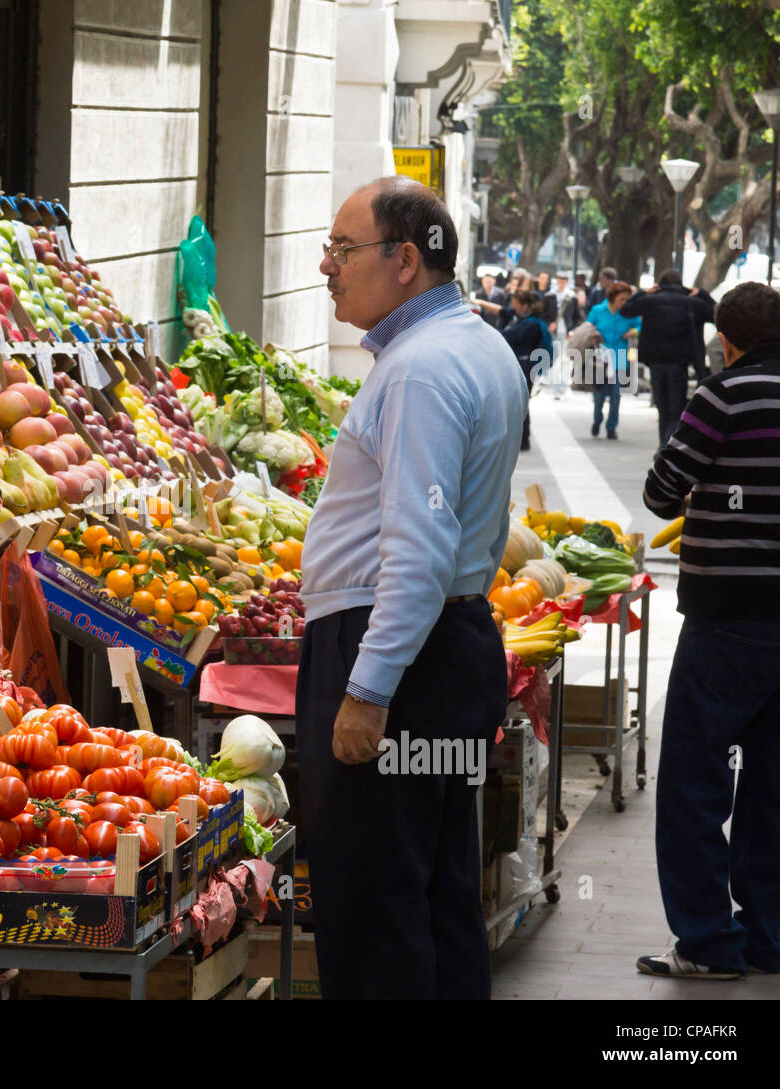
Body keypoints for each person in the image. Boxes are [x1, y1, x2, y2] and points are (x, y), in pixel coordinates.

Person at [304, 176, 527, 999]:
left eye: (342, 247)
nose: (326, 265)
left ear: (405, 261)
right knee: (436, 892)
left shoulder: (422, 371)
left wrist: (366, 688)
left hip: (400, 655)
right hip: (444, 646)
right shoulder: (472, 346)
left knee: (375, 906)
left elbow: (420, 548)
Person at [638, 281, 780, 980]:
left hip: (727, 619)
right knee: (775, 784)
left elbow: (662, 490)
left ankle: (706, 942)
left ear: (726, 340)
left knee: (696, 778)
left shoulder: (721, 397)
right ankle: (764, 939)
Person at [620, 269, 715, 447]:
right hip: (679, 363)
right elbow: (717, 314)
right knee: (676, 408)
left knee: (662, 408)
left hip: (655, 361)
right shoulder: (691, 303)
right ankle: (667, 445)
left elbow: (626, 309)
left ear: (659, 284)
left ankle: (663, 445)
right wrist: (702, 294)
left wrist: (644, 292)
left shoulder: (650, 301)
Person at [473, 289, 552, 451]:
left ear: (525, 306)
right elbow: (501, 310)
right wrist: (479, 303)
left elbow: (508, 335)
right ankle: (520, 439)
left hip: (526, 368)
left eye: (516, 305)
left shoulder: (531, 325)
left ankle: (524, 440)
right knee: (518, 403)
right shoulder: (521, 315)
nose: (513, 308)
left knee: (521, 403)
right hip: (520, 367)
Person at [584, 281, 640, 439]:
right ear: (613, 297)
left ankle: (611, 426)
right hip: (601, 358)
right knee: (599, 395)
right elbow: (587, 327)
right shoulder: (598, 310)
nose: (625, 302)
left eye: (627, 299)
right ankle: (597, 420)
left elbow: (640, 326)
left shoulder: (629, 313)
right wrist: (593, 337)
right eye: (622, 299)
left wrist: (633, 332)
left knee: (616, 395)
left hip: (620, 357)